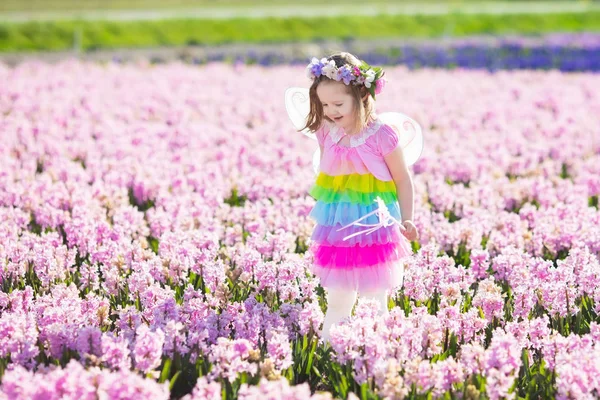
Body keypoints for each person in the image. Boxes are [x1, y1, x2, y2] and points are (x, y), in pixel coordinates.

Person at [301, 52, 420, 343]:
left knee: (372, 297)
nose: (330, 110)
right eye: (324, 104)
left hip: (374, 226)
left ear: (361, 95)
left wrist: (407, 219)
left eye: (338, 104)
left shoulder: (382, 135)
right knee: (339, 297)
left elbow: (403, 179)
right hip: (338, 227)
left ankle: (375, 351)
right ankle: (331, 351)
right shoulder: (327, 132)